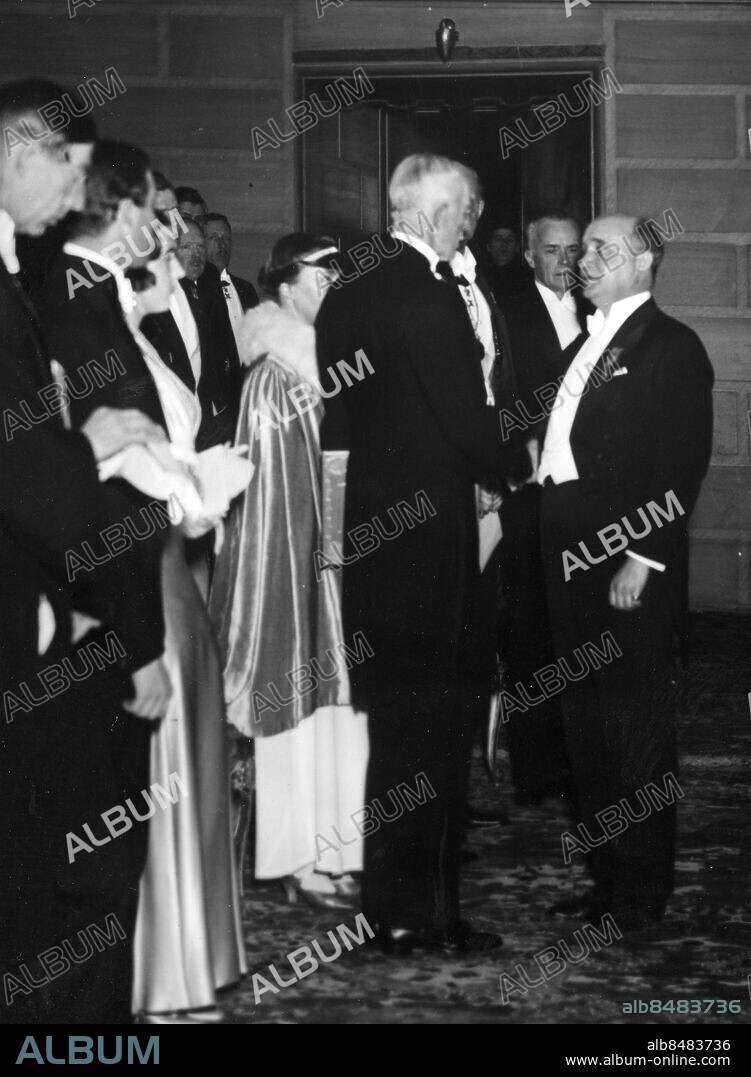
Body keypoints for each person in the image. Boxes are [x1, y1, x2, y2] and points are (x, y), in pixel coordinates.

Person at [317, 155, 518, 955]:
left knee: (397, 733)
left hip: (378, 532)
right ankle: (425, 916)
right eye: (467, 210)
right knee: (434, 730)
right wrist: (520, 465)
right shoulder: (426, 292)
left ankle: (390, 906)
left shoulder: (349, 286)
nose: (471, 223)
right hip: (431, 538)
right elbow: (467, 420)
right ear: (435, 211)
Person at [0, 80, 168, 1025]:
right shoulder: (40, 288)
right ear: (28, 151)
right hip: (51, 622)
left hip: (53, 610)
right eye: (71, 171)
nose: (79, 196)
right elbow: (34, 476)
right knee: (74, 881)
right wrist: (135, 635)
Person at [539, 213, 714, 932]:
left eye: (602, 252)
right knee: (589, 729)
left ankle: (640, 895)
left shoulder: (671, 346)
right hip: (574, 564)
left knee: (636, 731)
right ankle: (607, 880)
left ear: (645, 264)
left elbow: (678, 466)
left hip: (625, 568)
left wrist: (641, 559)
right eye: (583, 251)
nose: (584, 262)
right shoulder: (588, 340)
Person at [209, 234, 368, 911]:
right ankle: (295, 859)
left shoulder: (318, 363)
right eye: (318, 274)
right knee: (297, 710)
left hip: (334, 568)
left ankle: (331, 853)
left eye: (337, 273)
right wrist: (306, 579)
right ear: (281, 286)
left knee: (337, 715)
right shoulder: (276, 377)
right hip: (297, 575)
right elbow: (273, 507)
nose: (332, 282)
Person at [120, 236, 246, 1022]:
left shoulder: (142, 348)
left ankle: (186, 961)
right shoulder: (113, 359)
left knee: (193, 751)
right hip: (150, 571)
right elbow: (133, 478)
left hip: (173, 570)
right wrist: (200, 498)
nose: (181, 269)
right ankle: (158, 971)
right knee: (164, 758)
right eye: (166, 260)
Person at [497, 212, 586, 806]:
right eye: (552, 251)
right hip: (527, 494)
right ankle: (535, 768)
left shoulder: (599, 311)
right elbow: (493, 397)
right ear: (529, 255)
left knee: (578, 632)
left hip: (583, 498)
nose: (564, 262)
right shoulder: (504, 310)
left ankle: (579, 762)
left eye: (573, 250)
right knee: (529, 630)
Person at [175, 216, 241, 449]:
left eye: (200, 246)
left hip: (215, 408)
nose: (196, 253)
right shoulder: (165, 295)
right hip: (180, 412)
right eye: (187, 246)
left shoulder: (209, 281)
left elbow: (224, 344)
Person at [200, 212, 259, 351]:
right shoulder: (197, 291)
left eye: (225, 237)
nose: (222, 244)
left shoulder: (246, 290)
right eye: (213, 238)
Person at [483, 221, 531, 301]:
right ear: (489, 246)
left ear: (517, 247)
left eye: (510, 239)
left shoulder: (527, 279)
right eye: (498, 239)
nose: (504, 244)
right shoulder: (479, 277)